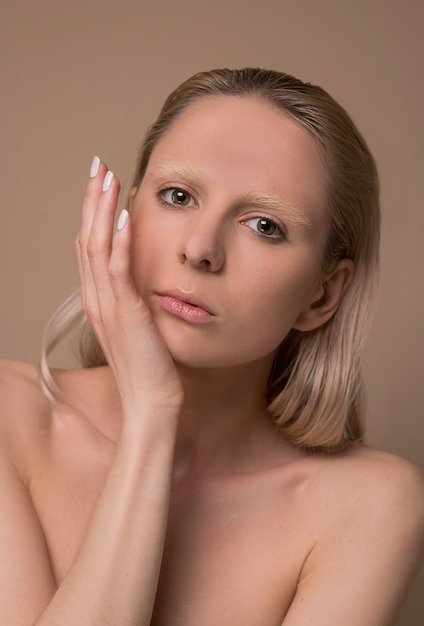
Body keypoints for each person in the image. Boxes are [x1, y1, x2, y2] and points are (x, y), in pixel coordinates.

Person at [0, 67, 423, 626]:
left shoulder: (370, 506)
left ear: (322, 295)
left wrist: (152, 413)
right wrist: (152, 414)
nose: (200, 248)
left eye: (264, 226)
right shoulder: (10, 416)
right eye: (178, 196)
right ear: (125, 216)